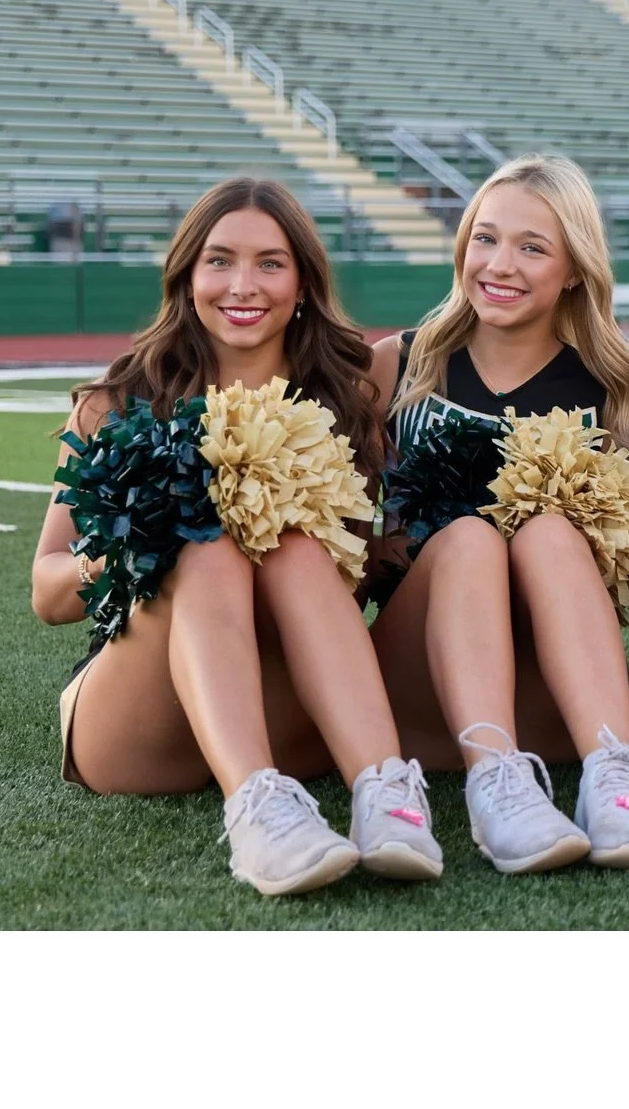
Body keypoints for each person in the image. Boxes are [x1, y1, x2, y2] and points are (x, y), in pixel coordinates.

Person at [32, 176, 443, 897]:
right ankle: (256, 812)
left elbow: (371, 576)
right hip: (138, 726)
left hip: (293, 716)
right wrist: (136, 547)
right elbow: (48, 593)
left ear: (304, 283)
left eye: (270, 263)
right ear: (187, 274)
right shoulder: (117, 401)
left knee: (288, 542)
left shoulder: (347, 404)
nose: (242, 285)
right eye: (219, 260)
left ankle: (386, 796)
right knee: (209, 539)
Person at [368, 153, 629, 875]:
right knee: (471, 537)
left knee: (547, 531)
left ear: (574, 269)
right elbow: (336, 544)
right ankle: (495, 780)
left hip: (554, 707)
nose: (500, 264)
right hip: (418, 687)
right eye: (486, 237)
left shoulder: (614, 398)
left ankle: (616, 772)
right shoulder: (396, 366)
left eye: (533, 247)